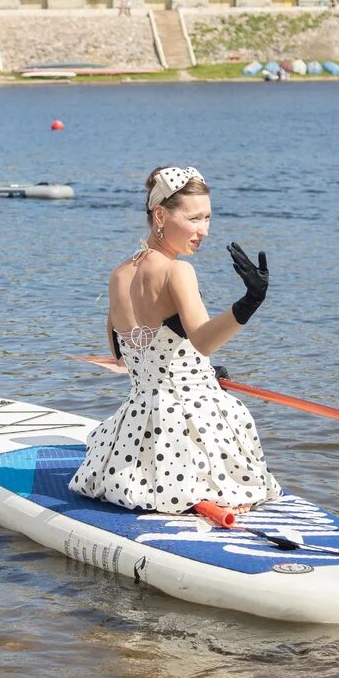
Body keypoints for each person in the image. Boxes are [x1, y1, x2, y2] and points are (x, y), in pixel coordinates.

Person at [69, 166, 281, 514]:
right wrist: (250, 301)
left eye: (208, 218)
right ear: (160, 215)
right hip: (189, 430)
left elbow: (123, 354)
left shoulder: (119, 274)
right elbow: (203, 341)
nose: (204, 230)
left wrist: (199, 371)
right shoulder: (178, 270)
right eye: (195, 218)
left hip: (136, 432)